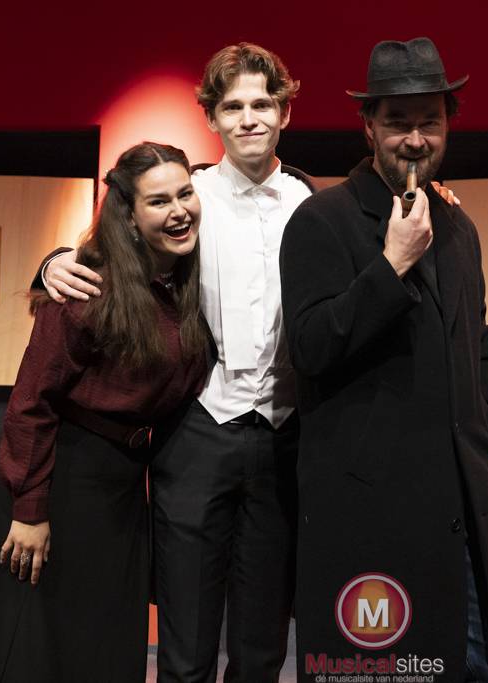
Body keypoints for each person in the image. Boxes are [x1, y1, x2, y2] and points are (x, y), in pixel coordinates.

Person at [36, 43, 313, 682]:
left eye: (262, 104)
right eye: (233, 107)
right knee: (185, 647)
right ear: (211, 118)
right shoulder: (188, 198)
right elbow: (107, 256)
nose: (249, 119)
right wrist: (51, 263)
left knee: (262, 646)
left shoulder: (311, 202)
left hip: (283, 440)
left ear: (284, 112)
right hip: (196, 435)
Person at [280, 37, 488, 683]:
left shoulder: (458, 226)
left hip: (463, 511)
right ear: (369, 126)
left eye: (430, 122)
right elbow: (310, 346)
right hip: (372, 518)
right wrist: (392, 264)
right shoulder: (321, 220)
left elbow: (477, 342)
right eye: (398, 123)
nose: (415, 139)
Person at [0, 142, 212, 682]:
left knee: (104, 640)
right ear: (130, 216)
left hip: (120, 483)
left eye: (185, 194)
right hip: (55, 475)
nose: (178, 211)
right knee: (35, 645)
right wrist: (30, 510)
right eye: (158, 201)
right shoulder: (88, 287)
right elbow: (32, 402)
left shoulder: (186, 284)